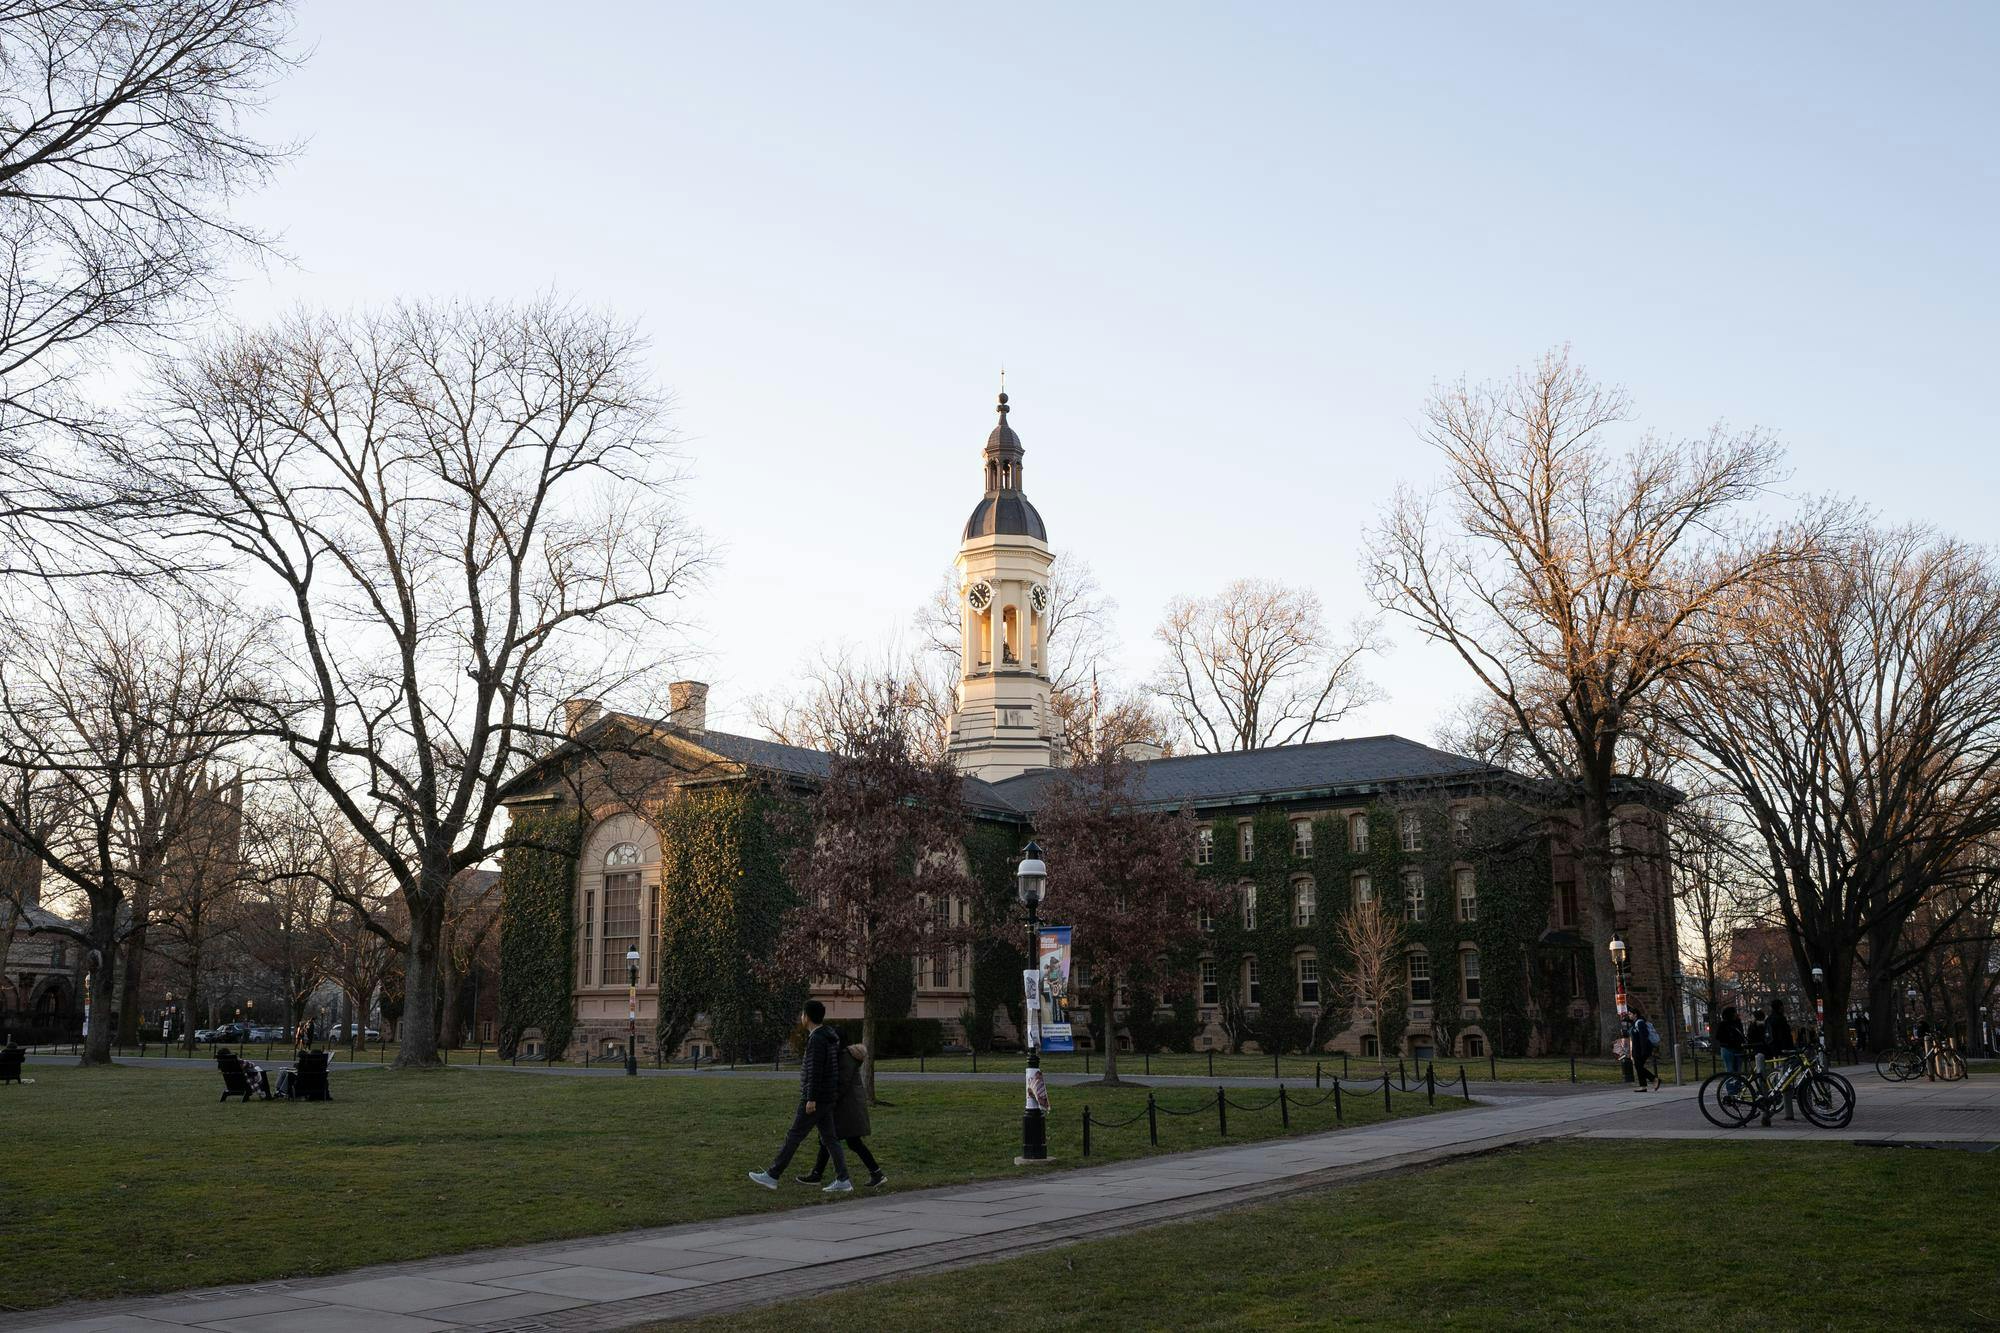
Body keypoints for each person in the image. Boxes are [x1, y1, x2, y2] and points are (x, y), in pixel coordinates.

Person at [748, 1000, 851, 1194]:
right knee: (830, 1138)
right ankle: (843, 1178)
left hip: (816, 1097)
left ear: (808, 1016)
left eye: (803, 1014)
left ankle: (773, 1175)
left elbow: (815, 1071)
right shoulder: (828, 1037)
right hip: (826, 1096)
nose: (801, 1017)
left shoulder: (817, 1040)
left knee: (795, 1135)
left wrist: (811, 1098)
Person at [796, 1042, 887, 1189]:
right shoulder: (846, 1057)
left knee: (844, 1141)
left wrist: (827, 1099)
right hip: (847, 1108)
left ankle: (876, 1173)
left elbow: (841, 1084)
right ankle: (817, 1174)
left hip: (848, 1109)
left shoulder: (845, 1059)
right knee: (830, 1139)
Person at [1629, 1004, 1661, 1091]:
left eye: (1630, 1014)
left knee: (1639, 1067)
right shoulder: (1634, 1023)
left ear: (1635, 1014)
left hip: (1642, 1049)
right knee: (1639, 1067)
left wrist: (1643, 1051)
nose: (1629, 1015)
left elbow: (1644, 1037)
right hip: (1637, 1049)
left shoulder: (1640, 1023)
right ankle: (1643, 1086)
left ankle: (1654, 1079)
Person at [1717, 1006, 1747, 1075]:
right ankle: (1732, 1084)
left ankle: (1737, 1084)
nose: (1736, 1014)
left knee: (1737, 1070)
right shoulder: (1723, 1024)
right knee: (1730, 1070)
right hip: (1728, 1049)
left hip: (1737, 1048)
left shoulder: (1738, 1023)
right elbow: (1719, 1036)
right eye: (1735, 1012)